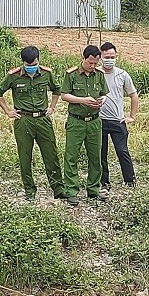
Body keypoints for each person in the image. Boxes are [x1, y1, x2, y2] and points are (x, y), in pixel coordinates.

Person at [0, 45, 66, 201]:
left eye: (34, 65)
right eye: (28, 66)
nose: (31, 68)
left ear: (38, 60)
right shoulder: (14, 76)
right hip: (23, 120)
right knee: (25, 156)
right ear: (23, 63)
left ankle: (58, 188)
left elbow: (57, 90)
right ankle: (29, 189)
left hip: (42, 119)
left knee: (51, 154)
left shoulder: (46, 74)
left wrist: (52, 107)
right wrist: (8, 111)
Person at [61, 45, 110, 206]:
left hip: (95, 121)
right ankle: (71, 190)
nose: (93, 66)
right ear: (83, 58)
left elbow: (104, 93)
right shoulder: (72, 74)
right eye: (90, 63)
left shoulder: (99, 75)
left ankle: (94, 188)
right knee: (72, 156)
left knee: (95, 156)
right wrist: (83, 100)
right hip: (76, 121)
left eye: (96, 63)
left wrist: (102, 100)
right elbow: (64, 95)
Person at [98, 41, 138, 190]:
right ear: (101, 57)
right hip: (100, 120)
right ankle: (104, 183)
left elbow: (133, 95)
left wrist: (131, 116)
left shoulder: (122, 74)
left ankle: (130, 181)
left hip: (117, 120)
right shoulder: (96, 74)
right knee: (101, 153)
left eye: (112, 56)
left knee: (122, 151)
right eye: (106, 56)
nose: (109, 59)